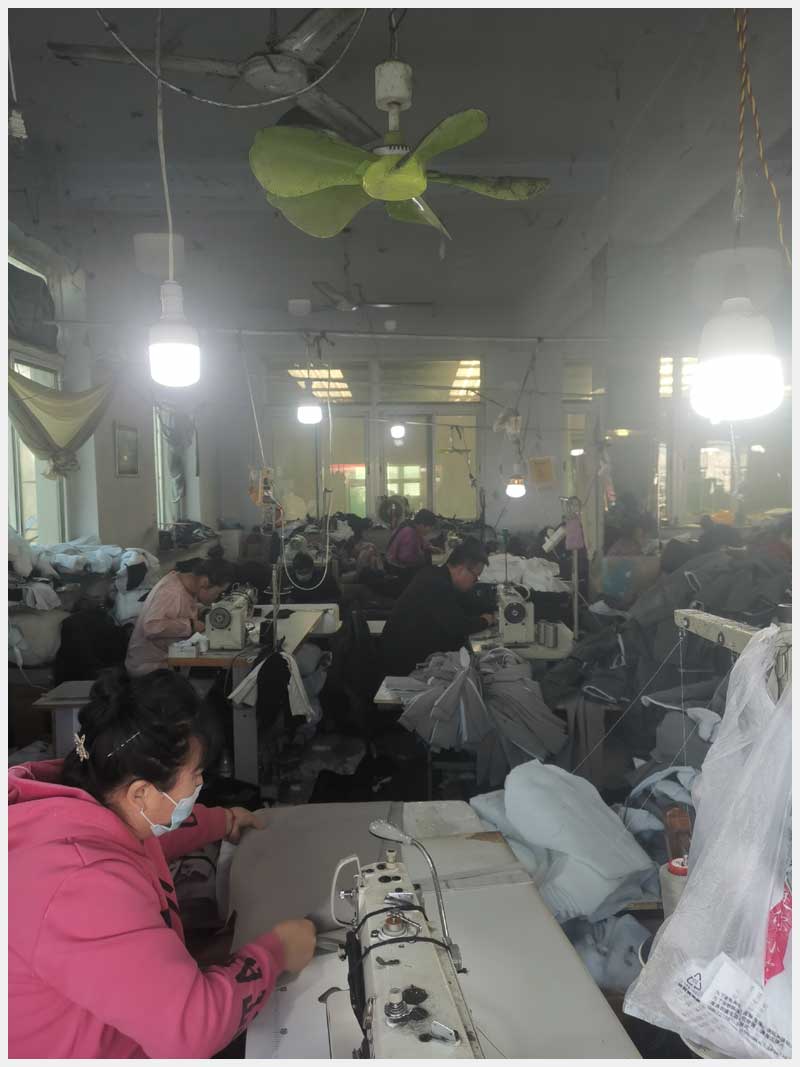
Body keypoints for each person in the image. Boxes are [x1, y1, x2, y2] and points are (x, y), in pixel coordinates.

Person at [8, 668, 316, 1059]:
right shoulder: (82, 886)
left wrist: (221, 821)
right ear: (141, 793)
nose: (200, 785)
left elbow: (147, 834)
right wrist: (276, 954)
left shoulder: (86, 793)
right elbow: (191, 1031)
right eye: (197, 775)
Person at [382, 539, 496, 676]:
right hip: (405, 663)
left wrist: (489, 609)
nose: (475, 581)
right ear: (462, 569)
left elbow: (467, 604)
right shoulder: (436, 584)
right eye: (476, 577)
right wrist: (485, 621)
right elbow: (458, 626)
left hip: (413, 651)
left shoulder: (437, 575)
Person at [125, 557, 235, 676]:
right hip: (149, 668)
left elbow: (181, 607)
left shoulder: (187, 585)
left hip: (168, 658)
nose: (217, 597)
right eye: (218, 592)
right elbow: (151, 627)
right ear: (205, 582)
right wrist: (190, 625)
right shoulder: (171, 592)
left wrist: (203, 611)